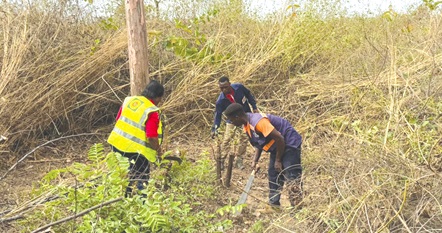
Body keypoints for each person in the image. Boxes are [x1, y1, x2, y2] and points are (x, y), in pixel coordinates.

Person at [223, 103, 303, 208]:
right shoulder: (247, 126)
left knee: (291, 174)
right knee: (273, 174)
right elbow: (258, 143)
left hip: (289, 142)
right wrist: (255, 161)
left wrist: (278, 160)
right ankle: (274, 205)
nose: (232, 123)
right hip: (277, 146)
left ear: (237, 117)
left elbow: (279, 138)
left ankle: (297, 207)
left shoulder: (258, 122)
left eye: (231, 120)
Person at [107, 80, 164, 196]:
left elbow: (119, 119)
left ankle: (125, 195)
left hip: (116, 143)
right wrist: (159, 152)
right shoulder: (151, 111)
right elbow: (152, 137)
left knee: (128, 172)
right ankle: (142, 201)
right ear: (158, 97)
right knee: (142, 174)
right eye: (160, 99)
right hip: (135, 150)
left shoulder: (129, 100)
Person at [211, 76, 259, 169]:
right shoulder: (220, 100)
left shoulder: (239, 87)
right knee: (227, 139)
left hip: (245, 116)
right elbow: (218, 115)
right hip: (232, 120)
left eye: (226, 87)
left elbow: (249, 95)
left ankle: (239, 160)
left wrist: (254, 107)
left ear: (230, 84)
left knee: (244, 137)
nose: (224, 90)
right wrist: (215, 129)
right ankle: (221, 160)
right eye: (221, 88)